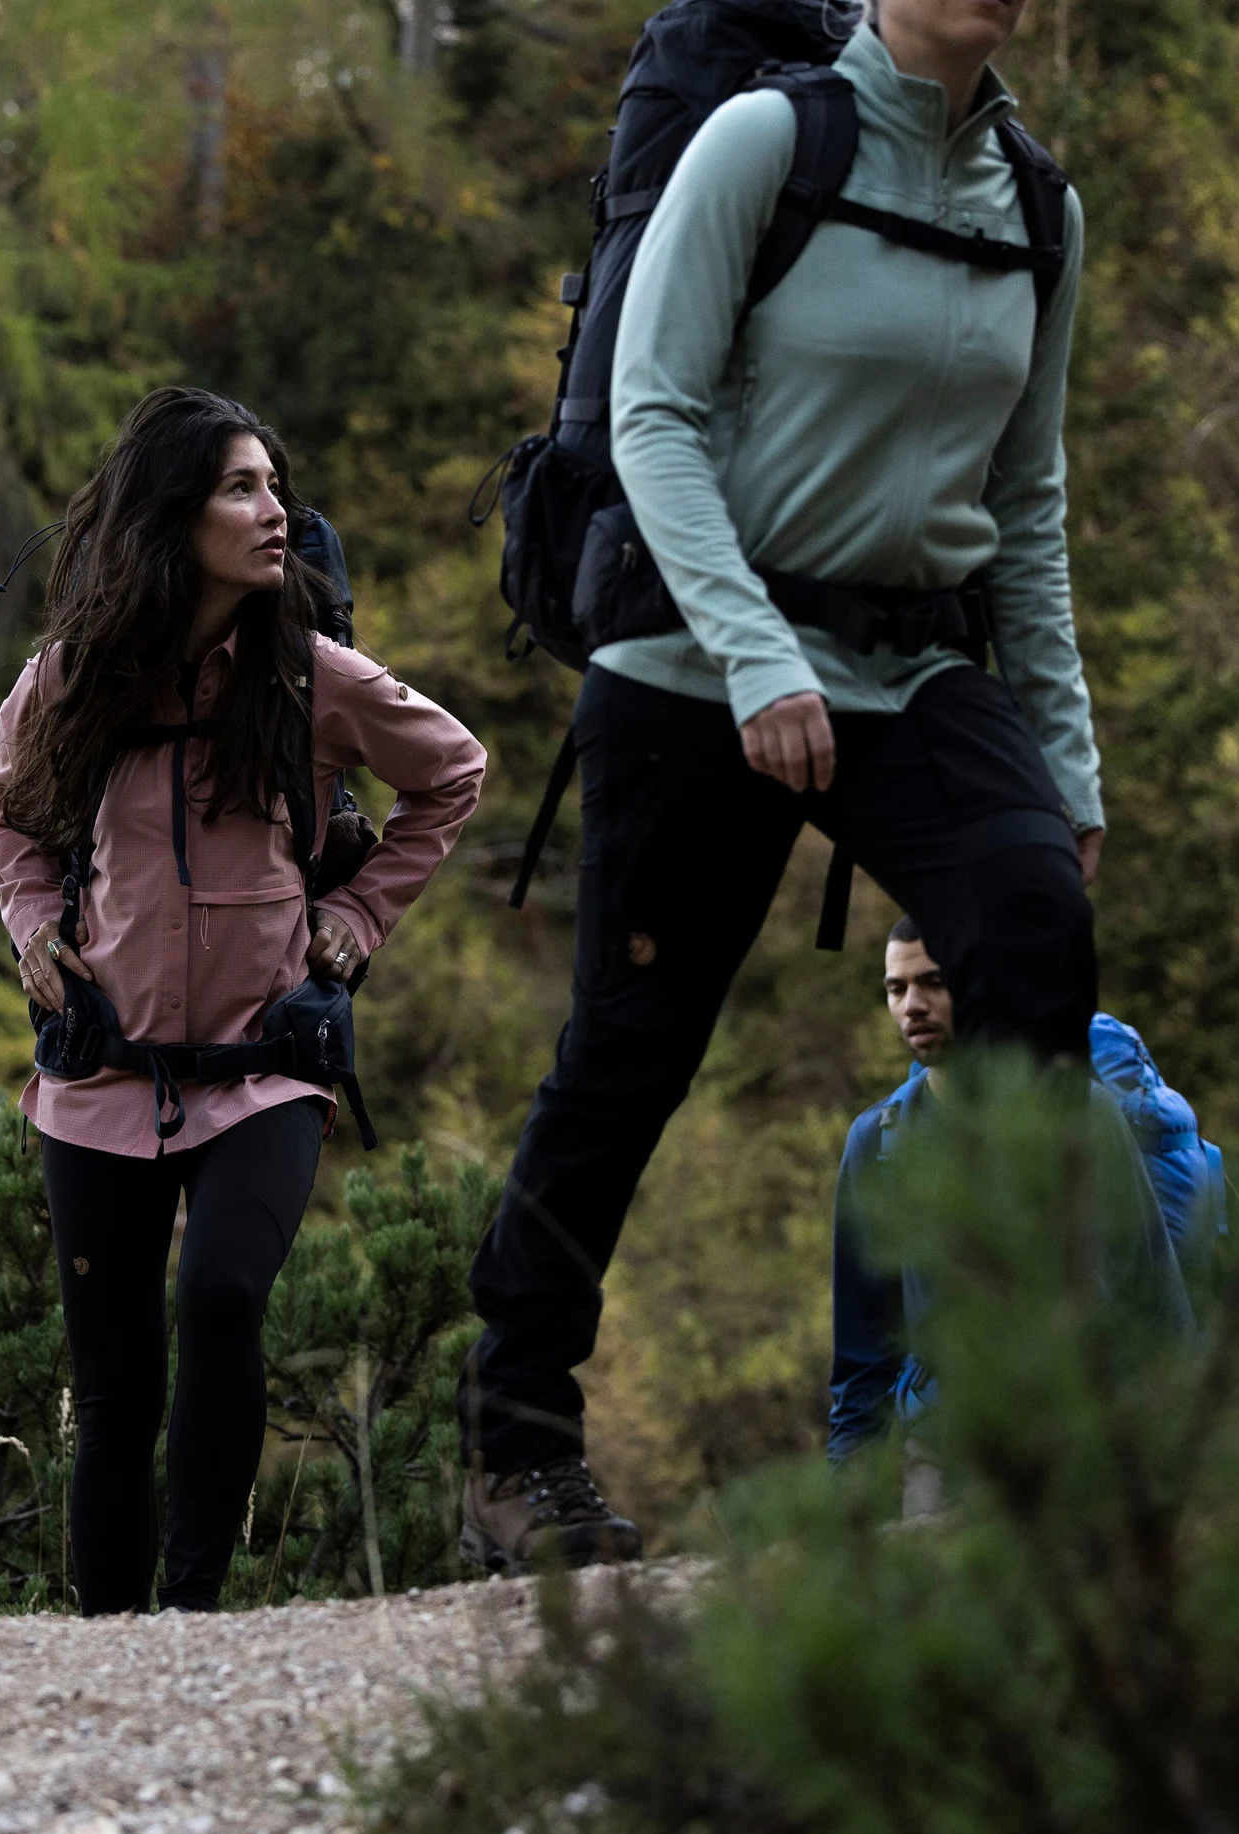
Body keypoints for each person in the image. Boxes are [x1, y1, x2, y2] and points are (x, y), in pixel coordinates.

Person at [460, 0, 1103, 1572]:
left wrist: (1068, 763)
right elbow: (653, 421)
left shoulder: (1036, 207)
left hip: (913, 666)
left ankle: (995, 1436)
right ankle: (515, 1450)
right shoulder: (766, 143)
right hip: (698, 652)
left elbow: (1026, 503)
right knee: (629, 1056)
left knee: (1033, 934)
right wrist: (756, 656)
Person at [0, 387, 485, 1615]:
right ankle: (110, 1640)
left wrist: (353, 923)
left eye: (276, 486)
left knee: (218, 1300)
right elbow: (4, 807)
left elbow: (452, 771)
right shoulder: (75, 679)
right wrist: (36, 923)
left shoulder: (311, 675)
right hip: (97, 1078)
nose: (275, 512)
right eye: (240, 488)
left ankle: (192, 1618)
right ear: (171, 513)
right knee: (111, 1390)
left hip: (264, 1068)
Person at [829, 915, 1211, 1463]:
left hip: (1086, 1445)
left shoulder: (1077, 1112)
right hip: (946, 1453)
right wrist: (851, 1509)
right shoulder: (877, 1143)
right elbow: (862, 1357)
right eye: (897, 988)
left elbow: (1154, 1301)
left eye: (935, 982)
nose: (912, 1004)